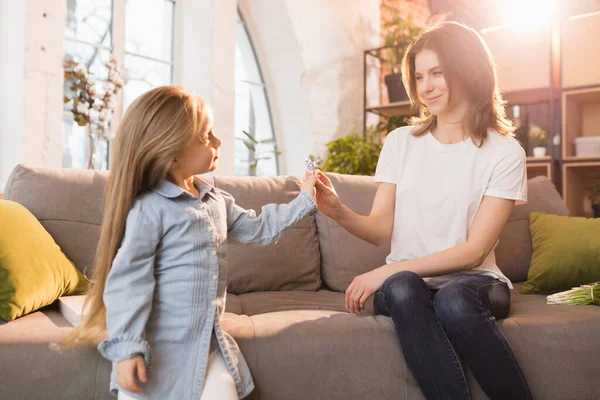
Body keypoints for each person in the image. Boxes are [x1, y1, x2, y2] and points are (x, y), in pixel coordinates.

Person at [312, 22, 532, 400]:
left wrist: (384, 269)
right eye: (418, 76)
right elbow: (381, 229)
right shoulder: (400, 143)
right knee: (402, 286)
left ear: (468, 69)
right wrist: (337, 211)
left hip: (477, 283)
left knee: (452, 298)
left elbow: (474, 251)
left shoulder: (504, 152)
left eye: (436, 72)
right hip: (406, 289)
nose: (425, 86)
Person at [58, 86, 319, 400]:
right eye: (207, 136)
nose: (219, 142)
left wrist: (304, 199)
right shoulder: (150, 210)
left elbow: (257, 228)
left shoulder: (215, 200)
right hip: (155, 357)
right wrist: (127, 350)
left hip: (206, 348)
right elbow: (128, 283)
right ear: (172, 156)